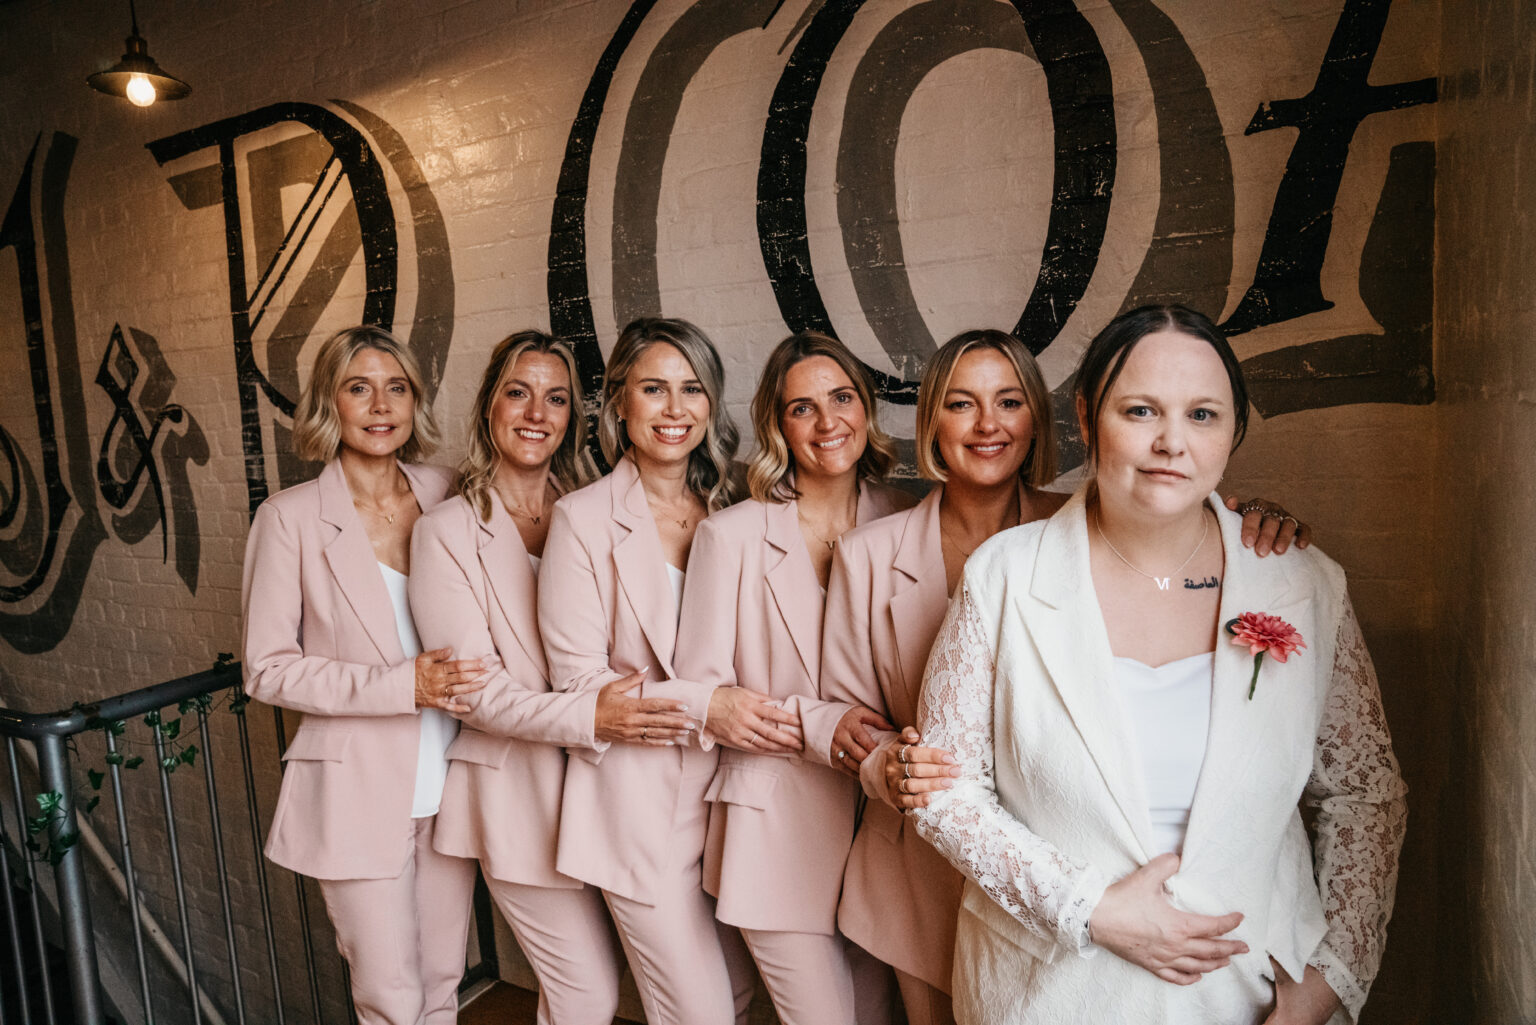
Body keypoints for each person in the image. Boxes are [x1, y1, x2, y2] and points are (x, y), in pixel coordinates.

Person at [909, 306, 1406, 1024]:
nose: (1172, 441)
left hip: (1255, 995)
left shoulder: (1302, 583)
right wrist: (1089, 908)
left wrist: (1326, 983)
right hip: (1052, 993)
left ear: (1233, 430)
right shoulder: (1003, 575)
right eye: (1140, 410)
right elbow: (947, 789)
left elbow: (1364, 794)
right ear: (1088, 417)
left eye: (1202, 414)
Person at [821, 329, 1315, 1025]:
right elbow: (849, 711)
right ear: (931, 421)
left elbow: (1181, 527)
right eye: (961, 403)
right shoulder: (872, 552)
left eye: (1009, 402)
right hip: (922, 861)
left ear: (1041, 419)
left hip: (1068, 863)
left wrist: (1253, 520)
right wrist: (891, 766)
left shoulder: (1098, 519)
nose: (988, 424)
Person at [408, 330, 697, 1024]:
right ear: (489, 405)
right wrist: (591, 715)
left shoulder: (593, 508)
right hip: (516, 792)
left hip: (610, 791)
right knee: (586, 992)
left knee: (624, 983)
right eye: (518, 392)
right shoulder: (446, 530)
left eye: (556, 398)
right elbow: (474, 691)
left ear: (575, 414)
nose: (537, 412)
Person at [241, 326, 484, 1025]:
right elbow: (266, 668)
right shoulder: (288, 518)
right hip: (354, 788)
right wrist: (402, 686)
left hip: (453, 774)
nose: (381, 406)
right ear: (330, 403)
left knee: (443, 978)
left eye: (396, 388)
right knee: (390, 994)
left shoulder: (448, 491)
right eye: (359, 388)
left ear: (414, 402)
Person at [672, 331, 913, 1024]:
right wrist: (817, 724)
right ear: (778, 425)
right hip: (774, 827)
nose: (827, 420)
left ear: (866, 408)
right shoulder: (731, 536)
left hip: (884, 827)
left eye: (842, 398)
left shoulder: (907, 517)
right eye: (802, 407)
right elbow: (705, 696)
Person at [537, 317, 759, 1025]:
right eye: (653, 388)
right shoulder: (581, 519)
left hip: (734, 796)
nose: (674, 408)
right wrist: (707, 706)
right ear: (619, 402)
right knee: (698, 1012)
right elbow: (581, 683)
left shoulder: (740, 502)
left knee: (740, 996)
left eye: (692, 389)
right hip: (636, 806)